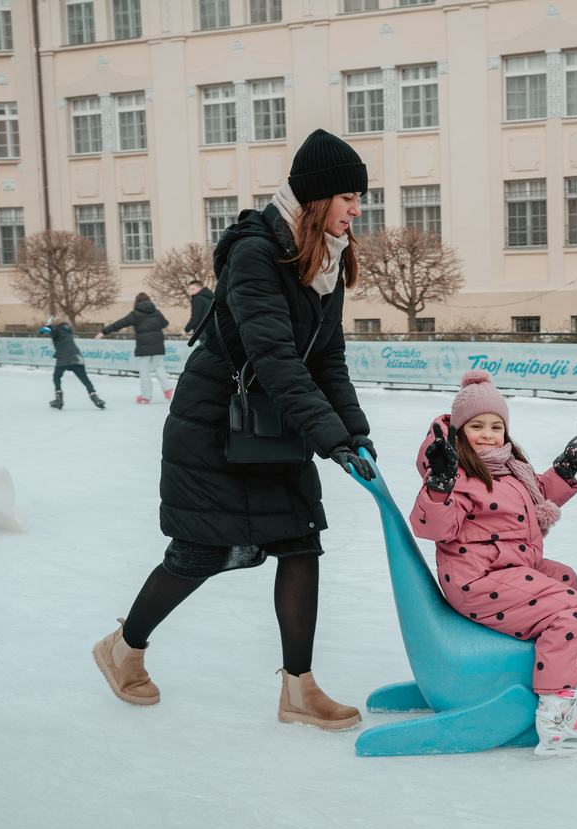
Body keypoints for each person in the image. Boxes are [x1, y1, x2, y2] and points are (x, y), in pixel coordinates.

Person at [92, 128, 378, 731]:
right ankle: (123, 648)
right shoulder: (257, 251)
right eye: (349, 198)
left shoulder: (326, 262)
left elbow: (326, 359)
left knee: (300, 542)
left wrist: (354, 432)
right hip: (219, 423)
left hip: (275, 424)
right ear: (318, 197)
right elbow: (274, 360)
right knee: (201, 551)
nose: (358, 210)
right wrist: (330, 439)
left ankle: (298, 689)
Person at [411, 369, 577, 757]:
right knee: (568, 609)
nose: (488, 434)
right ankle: (557, 713)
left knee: (565, 578)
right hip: (478, 580)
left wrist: (565, 467)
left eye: (496, 426)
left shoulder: (506, 467)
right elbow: (432, 526)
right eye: (476, 425)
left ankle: (550, 667)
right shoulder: (456, 472)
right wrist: (439, 484)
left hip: (508, 568)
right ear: (459, 431)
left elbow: (531, 495)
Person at [95, 293, 170, 403]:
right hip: (158, 345)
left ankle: (146, 395)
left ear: (136, 302)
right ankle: (168, 390)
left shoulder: (135, 314)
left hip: (143, 347)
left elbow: (120, 324)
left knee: (144, 372)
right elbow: (165, 324)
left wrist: (104, 332)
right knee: (159, 368)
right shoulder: (157, 313)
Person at [39, 317, 106, 410]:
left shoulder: (56, 329)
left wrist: (48, 328)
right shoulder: (67, 329)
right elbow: (62, 338)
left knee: (56, 377)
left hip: (63, 358)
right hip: (75, 356)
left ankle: (59, 399)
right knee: (84, 379)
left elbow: (54, 330)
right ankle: (95, 398)